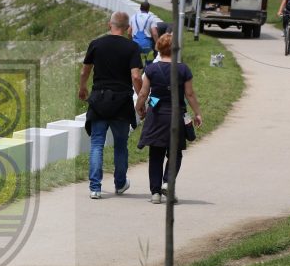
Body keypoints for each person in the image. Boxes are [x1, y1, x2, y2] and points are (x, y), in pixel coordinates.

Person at [79, 11, 143, 199]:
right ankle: (120, 183)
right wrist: (141, 99)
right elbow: (136, 76)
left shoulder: (96, 44)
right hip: (122, 101)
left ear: (110, 25)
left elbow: (85, 71)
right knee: (121, 145)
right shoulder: (132, 47)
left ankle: (95, 188)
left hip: (99, 99)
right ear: (127, 28)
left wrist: (82, 88)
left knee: (97, 143)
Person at [135, 34, 203, 204]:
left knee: (156, 154)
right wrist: (197, 113)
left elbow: (143, 93)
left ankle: (155, 193)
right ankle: (167, 182)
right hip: (176, 115)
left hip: (156, 115)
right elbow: (189, 94)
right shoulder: (183, 69)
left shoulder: (151, 69)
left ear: (158, 47)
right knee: (175, 153)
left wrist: (139, 108)